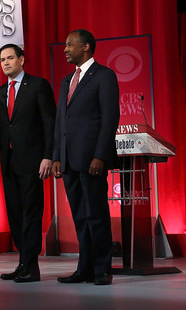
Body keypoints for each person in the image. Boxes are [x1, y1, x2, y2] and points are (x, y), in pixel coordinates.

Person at [52, 29, 120, 286]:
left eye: (70, 45)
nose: (66, 49)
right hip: (69, 160)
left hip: (92, 159)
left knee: (96, 215)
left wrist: (100, 156)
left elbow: (109, 118)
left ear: (87, 47)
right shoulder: (66, 80)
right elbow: (61, 122)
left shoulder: (104, 76)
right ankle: (85, 268)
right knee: (80, 217)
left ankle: (103, 269)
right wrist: (57, 155)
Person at [0, 44, 56, 283]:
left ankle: (31, 265)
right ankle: (22, 262)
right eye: (2, 60)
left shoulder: (38, 86)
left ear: (22, 60)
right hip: (8, 162)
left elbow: (50, 123)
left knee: (31, 213)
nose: (5, 63)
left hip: (33, 160)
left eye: (10, 58)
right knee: (15, 213)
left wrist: (49, 156)